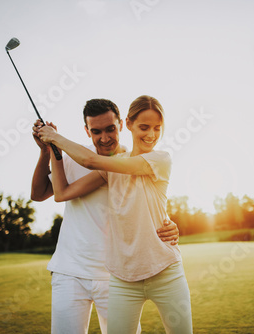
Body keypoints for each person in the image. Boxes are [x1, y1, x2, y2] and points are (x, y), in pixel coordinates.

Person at [36, 95, 193, 334]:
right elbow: (61, 192)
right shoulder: (109, 167)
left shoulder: (158, 159)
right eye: (144, 127)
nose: (151, 134)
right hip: (109, 274)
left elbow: (91, 161)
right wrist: (51, 150)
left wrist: (55, 136)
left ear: (121, 124)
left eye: (157, 128)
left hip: (147, 271)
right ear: (129, 124)